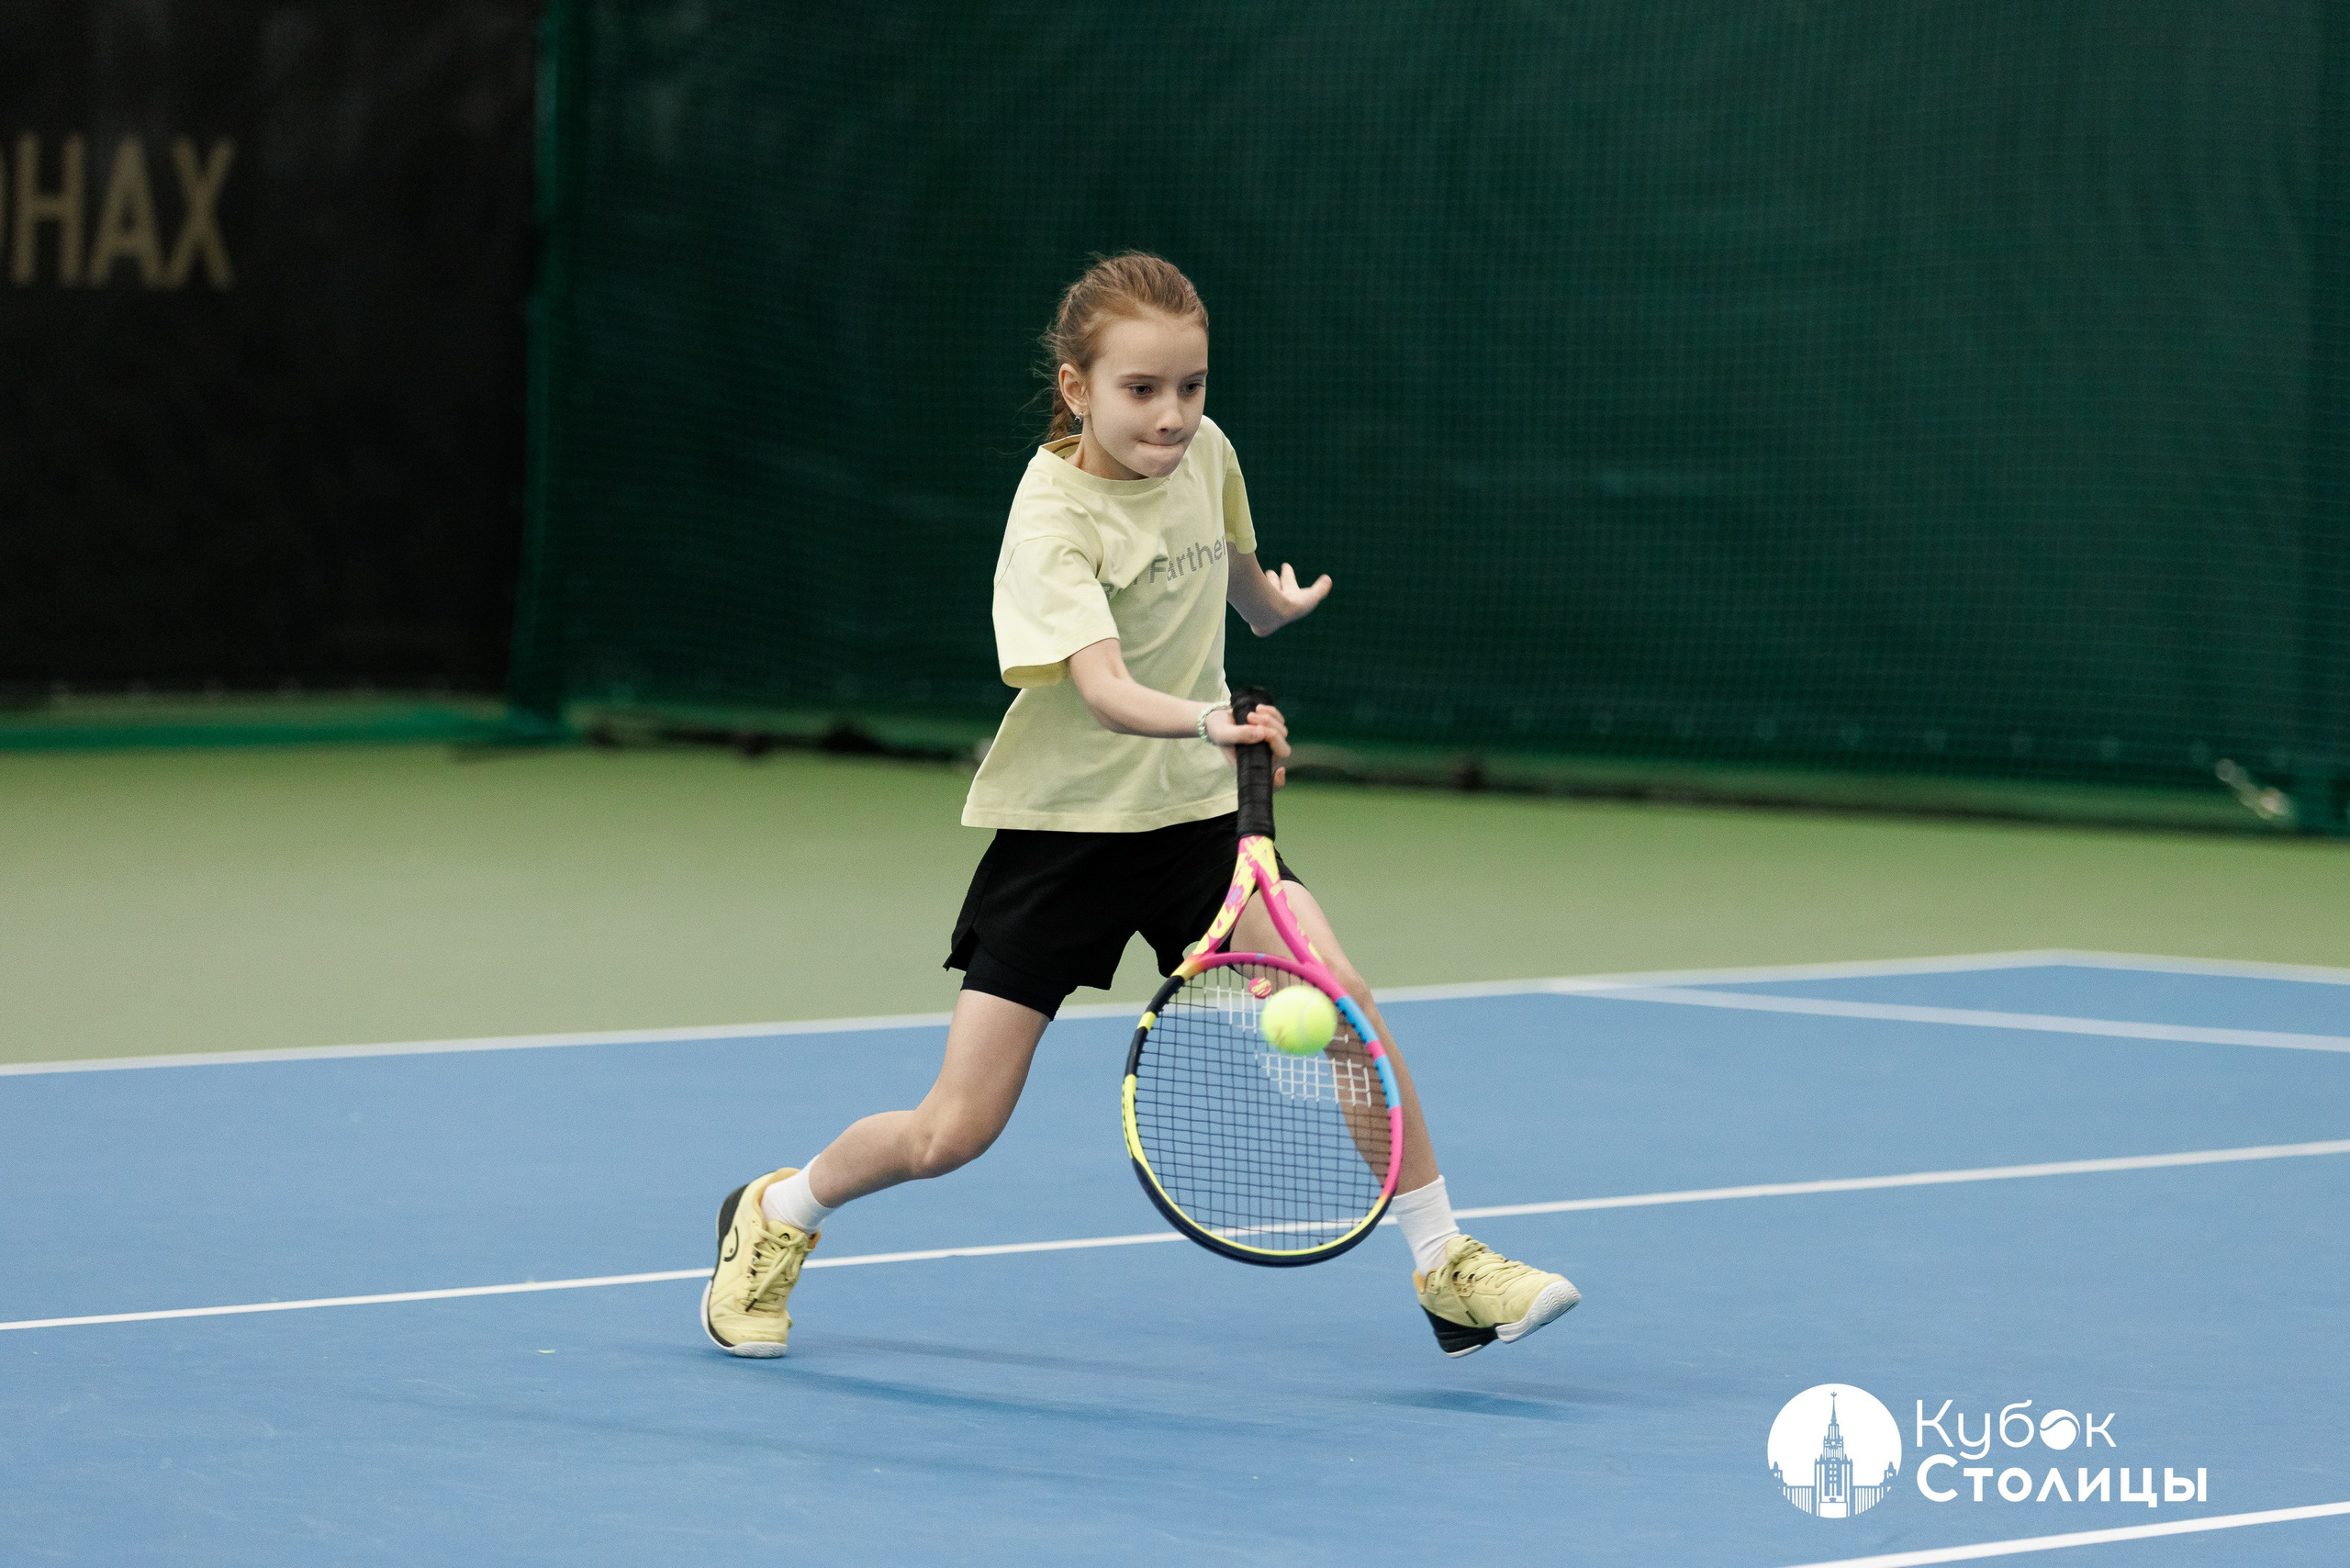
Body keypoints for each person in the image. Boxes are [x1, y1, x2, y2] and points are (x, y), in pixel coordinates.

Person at [702, 252, 1579, 1360]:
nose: (1173, 415)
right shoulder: (1051, 526)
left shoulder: (1205, 453)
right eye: (1141, 391)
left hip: (1199, 825)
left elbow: (1229, 568)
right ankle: (777, 1214)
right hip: (1065, 835)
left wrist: (1272, 607)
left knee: (1341, 999)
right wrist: (1212, 721)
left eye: (1191, 386)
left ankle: (1444, 1261)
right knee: (951, 1131)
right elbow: (1109, 690)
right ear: (1076, 388)